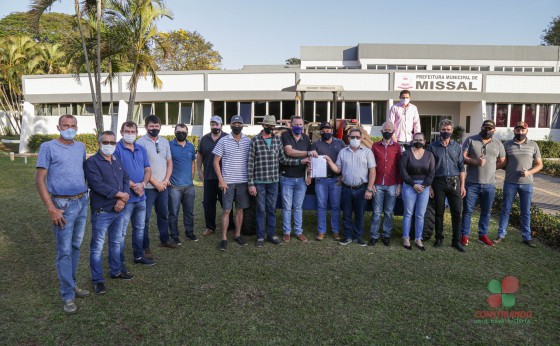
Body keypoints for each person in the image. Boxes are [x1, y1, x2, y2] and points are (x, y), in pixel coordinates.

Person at [36, 115, 90, 314]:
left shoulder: (80, 147)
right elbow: (40, 179)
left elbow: (82, 172)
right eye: (65, 125)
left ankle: (72, 283)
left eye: (73, 126)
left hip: (82, 201)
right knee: (64, 251)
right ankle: (67, 295)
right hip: (62, 204)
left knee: (76, 246)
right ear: (58, 127)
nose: (69, 128)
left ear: (77, 127)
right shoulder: (47, 147)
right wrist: (51, 207)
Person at [247, 115, 308, 247]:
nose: (271, 128)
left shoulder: (277, 140)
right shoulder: (255, 141)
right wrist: (251, 183)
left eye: (272, 126)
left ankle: (271, 235)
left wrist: (300, 161)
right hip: (259, 181)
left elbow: (283, 159)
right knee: (260, 209)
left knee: (271, 209)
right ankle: (260, 237)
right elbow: (250, 163)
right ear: (263, 126)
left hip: (274, 181)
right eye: (268, 126)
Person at [85, 131, 133, 296]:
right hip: (102, 211)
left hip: (119, 209)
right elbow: (97, 185)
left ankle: (116, 270)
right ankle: (97, 280)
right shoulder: (92, 162)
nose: (110, 145)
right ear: (99, 143)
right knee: (97, 247)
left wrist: (123, 200)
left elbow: (125, 179)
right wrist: (120, 195)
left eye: (113, 142)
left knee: (116, 242)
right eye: (106, 142)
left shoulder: (116, 159)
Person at [114, 121, 155, 268]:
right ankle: (119, 261)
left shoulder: (140, 149)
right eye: (127, 131)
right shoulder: (116, 149)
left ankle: (138, 256)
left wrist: (143, 184)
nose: (130, 134)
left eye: (132, 131)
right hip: (126, 197)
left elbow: (148, 169)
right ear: (121, 132)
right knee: (122, 231)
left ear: (137, 133)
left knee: (139, 228)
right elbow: (117, 171)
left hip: (141, 195)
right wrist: (133, 185)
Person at [495, 122, 543, 247]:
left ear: (527, 131)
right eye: (518, 130)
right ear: (514, 131)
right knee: (506, 210)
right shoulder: (506, 145)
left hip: (527, 184)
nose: (520, 132)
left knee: (526, 211)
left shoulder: (533, 145)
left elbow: (539, 165)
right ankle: (501, 235)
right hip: (510, 183)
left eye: (523, 130)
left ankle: (527, 237)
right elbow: (502, 162)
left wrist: (529, 172)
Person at [325, 128, 376, 246]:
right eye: (352, 137)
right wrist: (329, 161)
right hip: (346, 188)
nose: (355, 139)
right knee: (347, 214)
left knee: (360, 214)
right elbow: (338, 170)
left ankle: (358, 237)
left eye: (357, 137)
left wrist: (369, 188)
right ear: (348, 138)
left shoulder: (367, 152)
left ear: (361, 138)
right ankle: (347, 236)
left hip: (362, 189)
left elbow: (372, 172)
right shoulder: (343, 152)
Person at [137, 115, 178, 257]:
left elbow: (169, 162)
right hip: (148, 187)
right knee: (145, 218)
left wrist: (166, 181)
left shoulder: (165, 142)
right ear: (146, 127)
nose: (154, 128)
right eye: (151, 126)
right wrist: (155, 183)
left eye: (156, 126)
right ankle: (145, 247)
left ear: (160, 126)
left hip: (163, 186)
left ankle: (164, 239)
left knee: (163, 215)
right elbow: (141, 166)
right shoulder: (140, 143)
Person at [460, 119, 505, 247]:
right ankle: (464, 235)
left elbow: (502, 160)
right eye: (485, 128)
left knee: (486, 211)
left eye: (490, 129)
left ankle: (482, 235)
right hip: (472, 183)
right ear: (481, 127)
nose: (487, 130)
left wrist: (491, 167)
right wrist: (475, 162)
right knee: (468, 210)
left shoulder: (498, 143)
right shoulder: (471, 140)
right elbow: (463, 157)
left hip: (489, 184)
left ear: (494, 130)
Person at [213, 115, 251, 251]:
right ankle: (224, 238)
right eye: (234, 123)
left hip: (243, 181)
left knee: (240, 210)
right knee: (227, 210)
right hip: (227, 182)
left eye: (239, 123)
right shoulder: (223, 141)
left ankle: (238, 235)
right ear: (230, 125)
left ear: (242, 125)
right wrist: (221, 180)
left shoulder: (248, 141)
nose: (237, 126)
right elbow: (215, 161)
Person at [427, 119, 466, 252]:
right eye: (443, 130)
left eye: (448, 130)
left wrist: (463, 186)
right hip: (438, 182)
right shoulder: (432, 147)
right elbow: (429, 169)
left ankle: (456, 241)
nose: (446, 132)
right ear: (439, 130)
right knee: (439, 212)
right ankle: (438, 238)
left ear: (452, 130)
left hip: (455, 182)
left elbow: (461, 167)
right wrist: (430, 187)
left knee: (456, 212)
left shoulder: (457, 147)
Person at [280, 115, 317, 243]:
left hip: (301, 179)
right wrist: (307, 153)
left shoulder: (306, 138)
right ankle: (286, 232)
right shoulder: (286, 135)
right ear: (291, 125)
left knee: (298, 207)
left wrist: (309, 175)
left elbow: (312, 159)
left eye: (301, 125)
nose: (298, 127)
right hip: (287, 178)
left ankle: (299, 231)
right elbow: (289, 152)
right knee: (286, 207)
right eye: (296, 124)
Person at [196, 115, 234, 237]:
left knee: (226, 203)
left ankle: (231, 227)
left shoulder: (228, 137)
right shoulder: (204, 139)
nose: (214, 126)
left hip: (224, 177)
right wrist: (199, 170)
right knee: (208, 203)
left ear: (221, 125)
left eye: (217, 124)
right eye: (212, 124)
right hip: (208, 177)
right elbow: (199, 155)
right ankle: (210, 227)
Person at [399, 133, 435, 250]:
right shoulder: (406, 154)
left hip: (424, 187)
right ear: (412, 141)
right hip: (410, 185)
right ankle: (406, 237)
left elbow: (431, 173)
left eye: (420, 140)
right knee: (408, 213)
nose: (418, 141)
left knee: (420, 214)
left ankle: (418, 238)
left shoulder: (429, 155)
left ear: (424, 141)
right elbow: (403, 171)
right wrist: (414, 184)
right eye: (416, 140)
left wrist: (423, 186)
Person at [369, 121, 402, 246]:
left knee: (388, 212)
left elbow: (399, 167)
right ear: (381, 131)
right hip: (377, 183)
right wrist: (371, 184)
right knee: (377, 212)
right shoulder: (375, 146)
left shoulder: (397, 147)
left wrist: (399, 184)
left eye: (390, 129)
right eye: (385, 129)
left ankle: (386, 235)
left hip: (392, 183)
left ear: (393, 131)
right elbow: (371, 166)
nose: (387, 131)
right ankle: (374, 235)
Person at [311, 121, 345, 241]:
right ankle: (321, 231)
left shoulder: (340, 143)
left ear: (331, 131)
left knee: (336, 206)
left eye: (328, 130)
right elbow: (311, 161)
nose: (326, 132)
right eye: (323, 131)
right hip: (321, 180)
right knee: (321, 206)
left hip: (336, 179)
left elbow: (345, 160)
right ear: (320, 132)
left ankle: (336, 231)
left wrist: (342, 175)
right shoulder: (315, 144)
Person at [168, 123, 198, 245]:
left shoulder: (191, 146)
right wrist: (167, 178)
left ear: (187, 133)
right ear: (175, 133)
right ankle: (174, 235)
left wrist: (191, 177)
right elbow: (166, 163)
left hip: (189, 186)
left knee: (189, 211)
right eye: (179, 132)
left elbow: (192, 163)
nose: (181, 134)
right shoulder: (169, 146)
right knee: (174, 212)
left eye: (183, 132)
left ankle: (189, 232)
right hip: (174, 186)